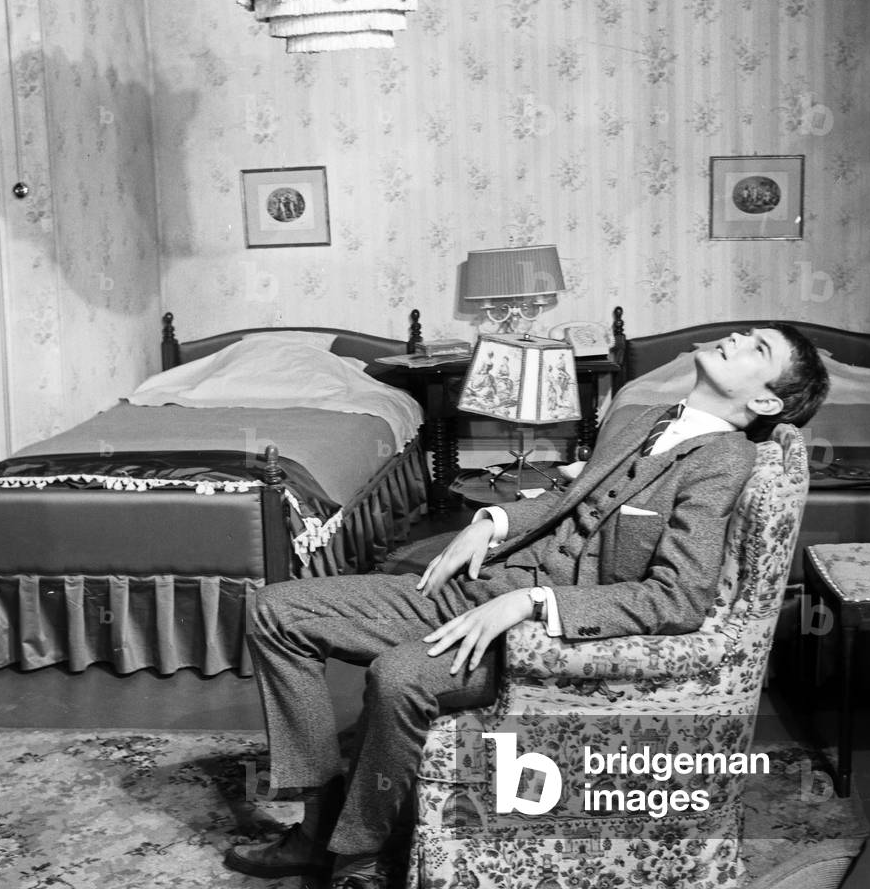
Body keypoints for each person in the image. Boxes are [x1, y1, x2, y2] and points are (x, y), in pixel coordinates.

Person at [225, 324, 829, 889]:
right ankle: (316, 816)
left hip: (541, 636)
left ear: (768, 403)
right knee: (277, 610)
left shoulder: (725, 460)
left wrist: (531, 603)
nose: (735, 338)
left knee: (398, 676)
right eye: (744, 334)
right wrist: (491, 520)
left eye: (758, 350)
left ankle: (358, 852)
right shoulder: (641, 417)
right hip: (487, 584)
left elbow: (679, 598)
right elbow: (572, 493)